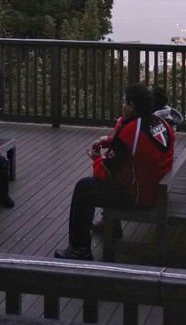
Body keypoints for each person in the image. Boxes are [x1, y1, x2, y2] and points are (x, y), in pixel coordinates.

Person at [55, 83, 175, 260]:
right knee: (115, 177)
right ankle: (110, 226)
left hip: (140, 197)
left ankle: (79, 250)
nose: (123, 106)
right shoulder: (160, 123)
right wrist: (111, 141)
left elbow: (105, 173)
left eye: (125, 103)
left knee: (84, 189)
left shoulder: (131, 131)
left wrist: (96, 158)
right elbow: (137, 149)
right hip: (156, 189)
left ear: (132, 106)